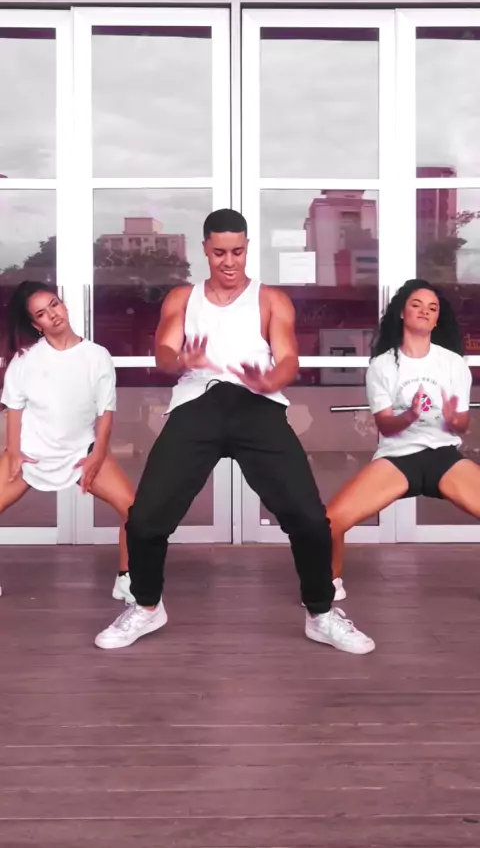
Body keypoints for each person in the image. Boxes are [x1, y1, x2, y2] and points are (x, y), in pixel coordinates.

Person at [95, 209, 374, 654]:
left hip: (256, 405)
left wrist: (271, 380)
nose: (229, 261)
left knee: (307, 517)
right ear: (205, 249)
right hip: (197, 404)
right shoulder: (183, 298)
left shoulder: (270, 299)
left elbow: (288, 358)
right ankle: (146, 606)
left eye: (238, 252)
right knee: (146, 517)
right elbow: (163, 353)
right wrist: (181, 361)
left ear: (247, 249)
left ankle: (321, 614)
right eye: (220, 252)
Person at [327, 278, 478, 594]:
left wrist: (455, 419)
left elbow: (462, 424)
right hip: (398, 457)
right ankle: (325, 588)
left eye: (432, 308)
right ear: (402, 312)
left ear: (437, 320)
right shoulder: (382, 365)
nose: (425, 312)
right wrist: (409, 415)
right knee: (330, 522)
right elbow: (385, 425)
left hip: (443, 456)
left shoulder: (453, 363)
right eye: (417, 305)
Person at [0, 280, 135, 603]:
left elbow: (106, 412)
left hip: (81, 452)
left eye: (54, 305)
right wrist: (14, 451)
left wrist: (98, 454)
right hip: (32, 453)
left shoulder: (97, 356)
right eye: (41, 314)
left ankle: (128, 578)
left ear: (64, 305)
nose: (53, 314)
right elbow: (14, 408)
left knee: (136, 510)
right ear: (36, 325)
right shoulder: (25, 360)